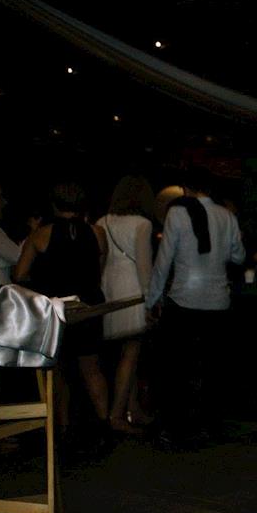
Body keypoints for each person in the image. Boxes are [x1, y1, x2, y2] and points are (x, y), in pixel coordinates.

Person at [145, 168, 245, 448]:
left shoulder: (177, 214)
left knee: (176, 367)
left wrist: (152, 299)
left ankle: (174, 427)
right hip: (218, 301)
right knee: (213, 368)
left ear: (186, 189)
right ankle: (209, 426)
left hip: (184, 299)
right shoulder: (227, 216)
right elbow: (239, 256)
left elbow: (164, 261)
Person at [15, 183, 111, 434]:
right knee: (92, 367)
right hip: (88, 305)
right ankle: (104, 424)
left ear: (53, 204)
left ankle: (63, 426)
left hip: (56, 308)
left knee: (58, 369)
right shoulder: (97, 232)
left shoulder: (41, 235)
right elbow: (99, 269)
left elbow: (20, 274)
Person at [96, 176, 155, 434]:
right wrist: (151, 299)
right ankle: (118, 414)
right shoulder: (142, 224)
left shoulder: (103, 221)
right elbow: (144, 266)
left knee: (123, 356)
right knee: (131, 353)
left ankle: (133, 409)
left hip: (109, 291)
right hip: (132, 291)